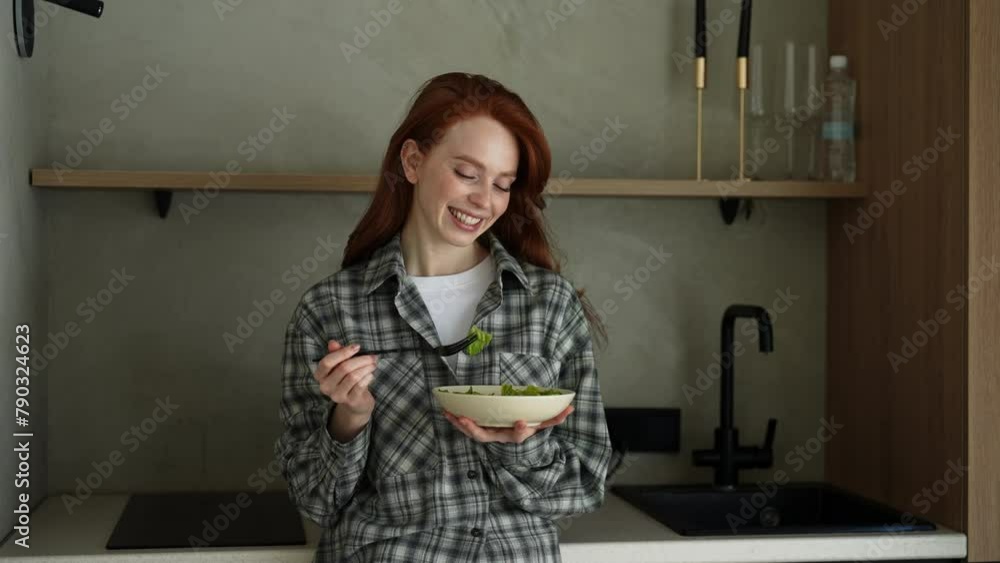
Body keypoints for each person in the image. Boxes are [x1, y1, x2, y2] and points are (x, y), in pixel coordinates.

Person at [274, 72, 613, 563]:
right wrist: (349, 418)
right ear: (413, 162)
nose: (484, 200)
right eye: (467, 174)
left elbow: (583, 488)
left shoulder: (549, 305)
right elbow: (315, 503)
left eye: (502, 184)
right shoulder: (330, 309)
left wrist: (518, 448)